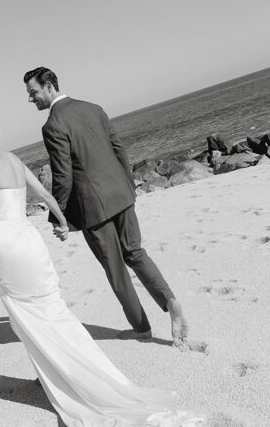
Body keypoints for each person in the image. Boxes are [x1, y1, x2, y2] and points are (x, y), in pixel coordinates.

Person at [0, 117, 202, 427]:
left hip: (7, 245)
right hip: (30, 241)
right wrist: (62, 223)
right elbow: (47, 198)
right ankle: (60, 371)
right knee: (51, 310)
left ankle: (59, 374)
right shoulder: (16, 161)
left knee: (26, 315)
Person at [23, 67, 189, 346]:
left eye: (33, 92)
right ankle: (169, 300)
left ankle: (141, 329)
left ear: (49, 86)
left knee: (116, 269)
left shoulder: (53, 124)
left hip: (93, 206)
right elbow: (118, 149)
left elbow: (63, 175)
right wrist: (128, 185)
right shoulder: (93, 107)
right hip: (121, 193)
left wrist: (58, 216)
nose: (31, 99)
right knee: (136, 253)